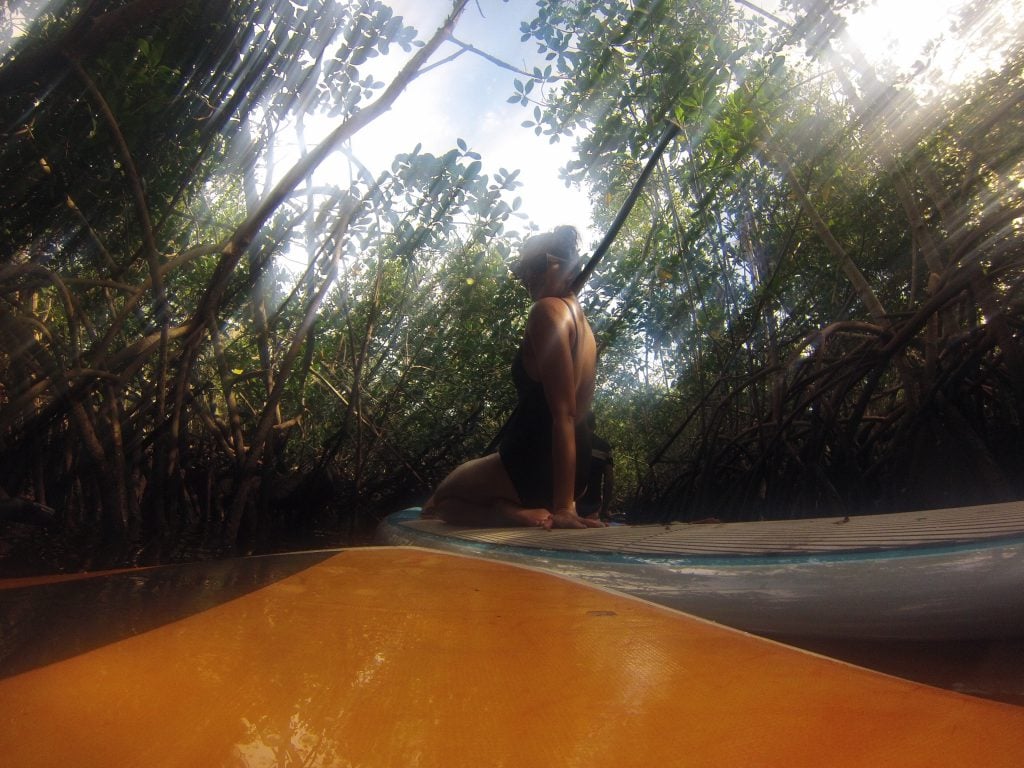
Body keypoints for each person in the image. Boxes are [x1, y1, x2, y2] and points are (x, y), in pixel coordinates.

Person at [422, 226, 605, 529]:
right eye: (522, 272)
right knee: (461, 488)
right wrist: (571, 496)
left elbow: (564, 414)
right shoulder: (585, 328)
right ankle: (514, 507)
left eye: (535, 267)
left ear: (562, 265)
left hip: (533, 463)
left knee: (440, 503)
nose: (527, 279)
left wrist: (564, 508)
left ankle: (504, 513)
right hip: (578, 470)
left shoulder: (547, 311)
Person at [577, 412, 614, 522]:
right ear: (594, 426)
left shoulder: (571, 443)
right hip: (593, 506)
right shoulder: (604, 447)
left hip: (570, 504)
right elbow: (609, 480)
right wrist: (604, 508)